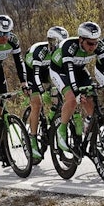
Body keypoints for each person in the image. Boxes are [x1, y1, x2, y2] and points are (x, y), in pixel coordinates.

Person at [50, 20, 103, 151]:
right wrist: (76, 92)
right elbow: (69, 71)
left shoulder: (98, 46)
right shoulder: (69, 46)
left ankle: (90, 132)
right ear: (81, 40)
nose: (93, 46)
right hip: (60, 71)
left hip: (79, 71)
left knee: (90, 99)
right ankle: (61, 131)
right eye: (90, 43)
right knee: (72, 99)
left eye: (95, 43)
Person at [25, 26, 67, 161]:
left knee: (59, 96)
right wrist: (42, 91)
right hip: (32, 72)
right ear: (51, 42)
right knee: (37, 104)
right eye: (58, 43)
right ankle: (32, 139)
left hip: (48, 72)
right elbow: (36, 75)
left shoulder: (61, 52)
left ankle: (53, 117)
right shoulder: (40, 51)